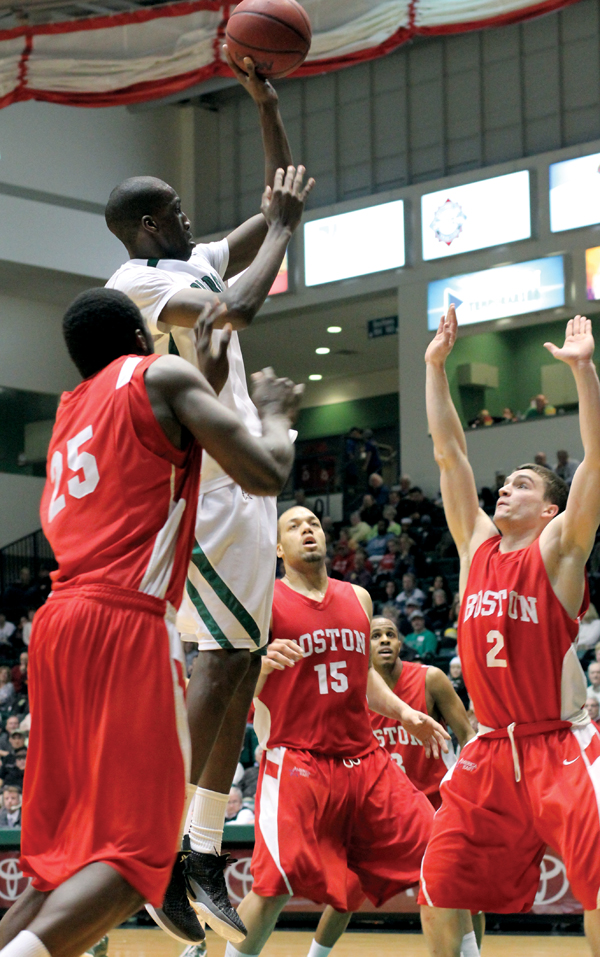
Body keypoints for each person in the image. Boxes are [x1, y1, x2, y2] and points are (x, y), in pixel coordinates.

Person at [0, 289, 301, 957]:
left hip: (57, 625)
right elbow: (266, 471)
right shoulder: (158, 375)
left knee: (63, 863)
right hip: (124, 621)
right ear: (142, 335)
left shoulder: (72, 409)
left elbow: (177, 437)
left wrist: (208, 373)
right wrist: (275, 413)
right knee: (141, 857)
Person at [105, 71, 314, 940]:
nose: (191, 218)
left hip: (242, 478)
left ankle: (196, 851)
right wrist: (285, 230)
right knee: (218, 664)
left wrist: (267, 109)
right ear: (149, 224)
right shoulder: (135, 283)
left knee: (239, 666)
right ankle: (160, 843)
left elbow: (272, 205)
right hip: (203, 485)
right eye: (178, 210)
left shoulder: (188, 258)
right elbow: (239, 306)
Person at [419, 307, 600, 955]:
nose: (504, 489)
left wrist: (583, 373)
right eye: (505, 483)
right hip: (491, 748)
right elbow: (449, 453)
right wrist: (434, 368)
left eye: (521, 485)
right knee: (439, 887)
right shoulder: (476, 547)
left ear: (550, 508)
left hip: (560, 745)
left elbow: (597, 460)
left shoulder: (559, 548)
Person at [225, 506, 448, 957]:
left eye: (313, 523)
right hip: (297, 758)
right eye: (294, 526)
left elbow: (364, 677)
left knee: (441, 849)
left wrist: (405, 713)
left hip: (365, 759)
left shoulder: (358, 597)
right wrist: (261, 665)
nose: (307, 530)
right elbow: (230, 690)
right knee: (275, 887)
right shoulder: (263, 602)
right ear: (278, 548)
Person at [311, 616, 482, 957]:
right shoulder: (351, 688)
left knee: (462, 891)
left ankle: (473, 954)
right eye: (376, 636)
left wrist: (470, 781)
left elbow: (468, 735)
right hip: (382, 808)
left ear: (401, 643)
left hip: (436, 804)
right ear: (363, 647)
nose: (385, 640)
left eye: (390, 634)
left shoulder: (430, 679)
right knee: (347, 890)